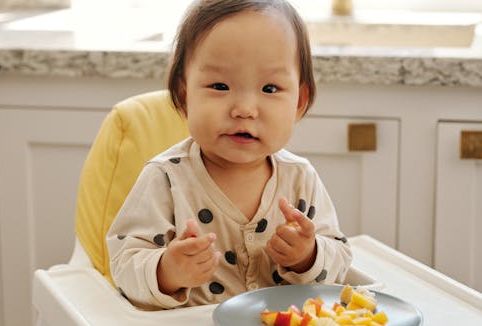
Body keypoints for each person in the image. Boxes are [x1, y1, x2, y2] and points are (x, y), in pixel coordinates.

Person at [106, 0, 352, 310]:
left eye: (270, 88)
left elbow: (341, 260)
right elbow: (123, 264)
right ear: (184, 95)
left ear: (299, 102)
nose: (244, 110)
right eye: (220, 86)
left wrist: (308, 255)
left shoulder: (300, 178)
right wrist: (167, 270)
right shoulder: (166, 178)